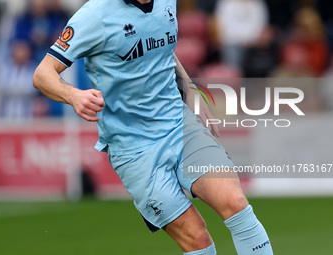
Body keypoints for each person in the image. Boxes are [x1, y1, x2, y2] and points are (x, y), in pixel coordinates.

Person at [33, 0, 274, 254]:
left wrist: (189, 87)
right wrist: (73, 95)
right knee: (196, 238)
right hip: (133, 148)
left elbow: (161, 43)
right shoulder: (94, 15)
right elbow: (43, 73)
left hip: (180, 125)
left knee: (235, 204)